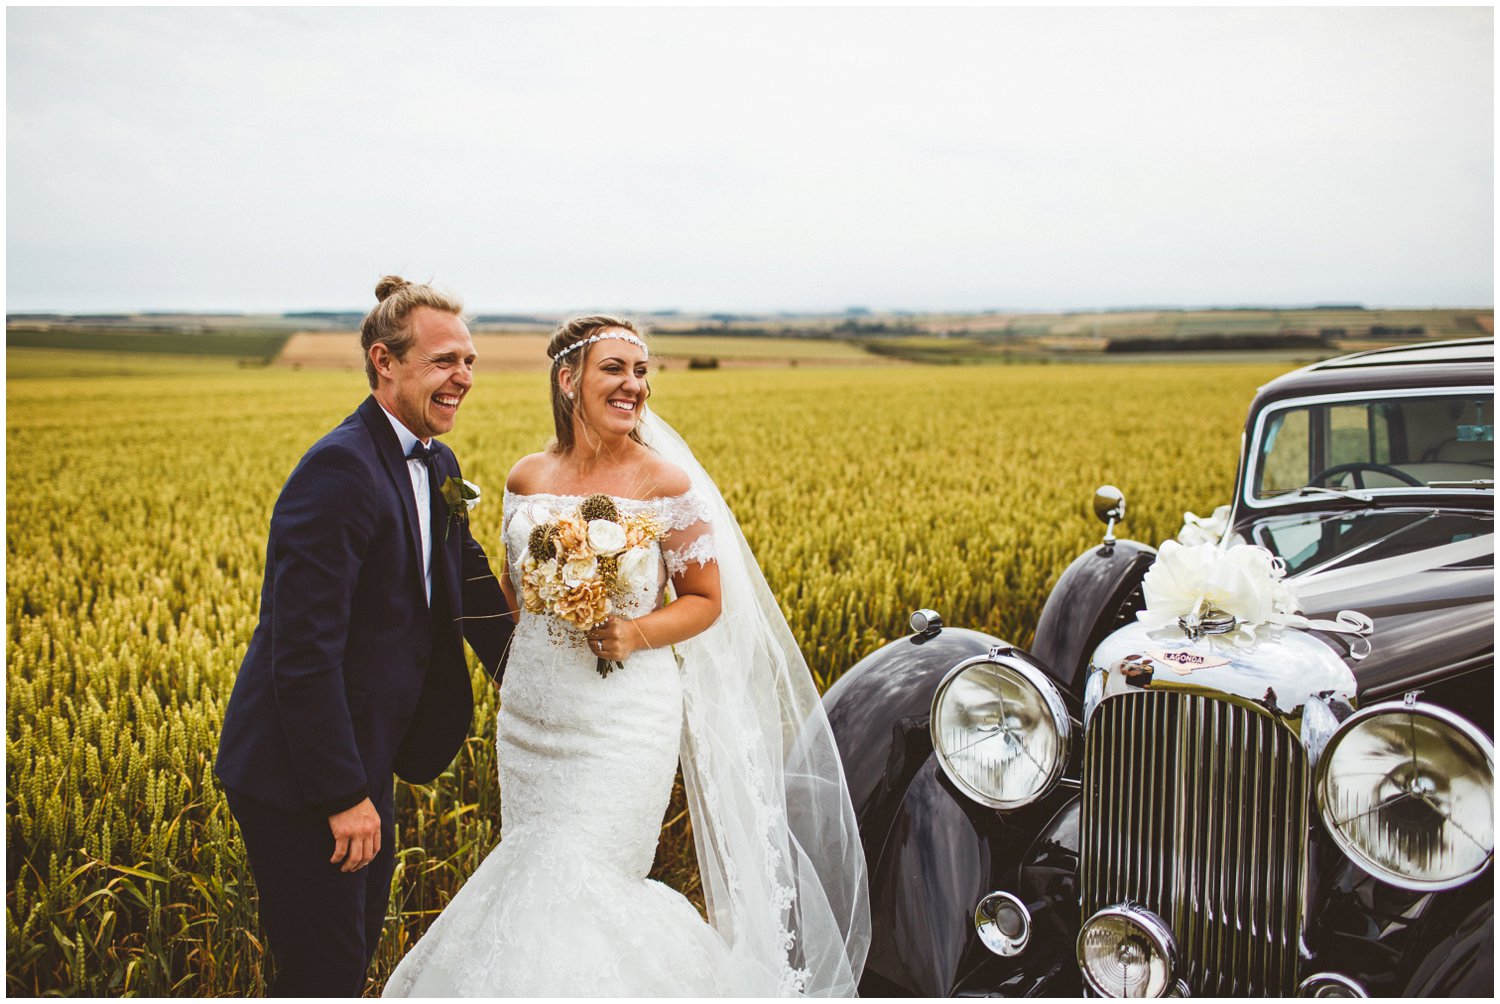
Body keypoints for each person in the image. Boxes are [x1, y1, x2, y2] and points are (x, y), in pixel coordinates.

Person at [383, 316, 870, 996]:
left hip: (621, 718)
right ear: (568, 379)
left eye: (640, 372)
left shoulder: (665, 484)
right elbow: (510, 592)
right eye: (614, 369)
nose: (633, 385)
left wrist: (633, 632)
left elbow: (705, 598)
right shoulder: (527, 478)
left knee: (585, 876)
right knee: (530, 867)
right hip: (532, 719)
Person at [215, 276, 513, 996]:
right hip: (301, 776)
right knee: (324, 974)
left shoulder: (439, 464)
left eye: (469, 361)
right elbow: (303, 653)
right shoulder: (338, 470)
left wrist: (542, 678)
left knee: (346, 957)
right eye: (444, 361)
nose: (463, 377)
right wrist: (344, 795)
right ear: (385, 361)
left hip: (364, 755)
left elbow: (465, 579)